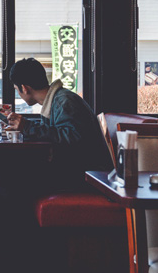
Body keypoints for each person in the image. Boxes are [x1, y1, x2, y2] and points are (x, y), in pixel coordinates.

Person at [6, 58, 112, 186]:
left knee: (7, 178)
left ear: (24, 88)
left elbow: (72, 139)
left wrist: (27, 127)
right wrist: (26, 127)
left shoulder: (64, 101)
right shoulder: (56, 100)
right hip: (76, 169)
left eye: (17, 89)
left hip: (82, 174)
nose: (18, 93)